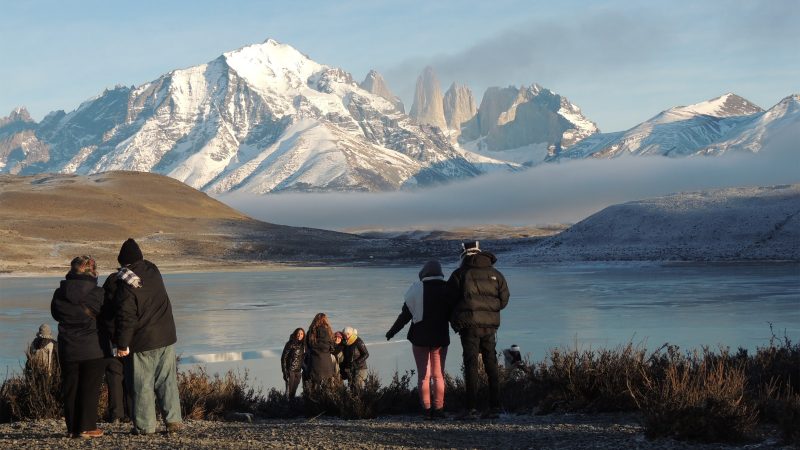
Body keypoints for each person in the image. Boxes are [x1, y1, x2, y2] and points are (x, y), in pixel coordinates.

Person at [112, 238, 183, 435]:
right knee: (167, 381)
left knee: (142, 384)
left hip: (143, 341)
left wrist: (122, 344)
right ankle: (174, 421)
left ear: (122, 261)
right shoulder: (154, 271)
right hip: (166, 337)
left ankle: (145, 427)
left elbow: (126, 317)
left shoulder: (126, 286)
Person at [447, 241, 510, 420]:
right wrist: (491, 308)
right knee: (491, 363)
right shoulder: (496, 274)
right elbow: (504, 299)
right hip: (490, 325)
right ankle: (495, 406)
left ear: (464, 254)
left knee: (471, 364)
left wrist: (460, 313)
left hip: (468, 326)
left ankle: (471, 408)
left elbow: (448, 299)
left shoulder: (459, 274)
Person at [386, 260, 451, 419]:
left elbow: (405, 316)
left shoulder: (415, 289)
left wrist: (391, 332)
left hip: (419, 337)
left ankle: (426, 409)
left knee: (423, 375)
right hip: (440, 337)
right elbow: (455, 313)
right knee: (438, 375)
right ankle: (439, 408)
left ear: (424, 273)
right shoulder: (448, 288)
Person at [50, 256, 106, 439]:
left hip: (67, 346)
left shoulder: (60, 293)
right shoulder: (98, 293)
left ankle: (72, 428)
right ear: (93, 271)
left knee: (71, 388)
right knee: (89, 388)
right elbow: (106, 315)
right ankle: (87, 427)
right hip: (93, 347)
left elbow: (56, 314)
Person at [100, 270, 129, 423]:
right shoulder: (127, 297)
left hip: (109, 342)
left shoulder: (103, 300)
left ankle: (116, 414)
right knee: (131, 376)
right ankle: (131, 413)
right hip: (128, 342)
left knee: (114, 377)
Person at [305, 313, 336, 385]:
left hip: (314, 363)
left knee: (313, 387)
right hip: (327, 364)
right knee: (326, 387)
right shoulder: (329, 331)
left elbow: (308, 346)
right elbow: (332, 346)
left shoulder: (310, 332)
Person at [281, 328, 305, 398]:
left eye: (301, 334)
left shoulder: (303, 345)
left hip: (298, 372)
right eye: (298, 333)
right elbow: (283, 358)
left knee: (293, 394)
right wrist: (285, 372)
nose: (299, 335)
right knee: (288, 394)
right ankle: (286, 408)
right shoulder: (290, 344)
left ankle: (292, 407)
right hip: (290, 372)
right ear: (295, 334)